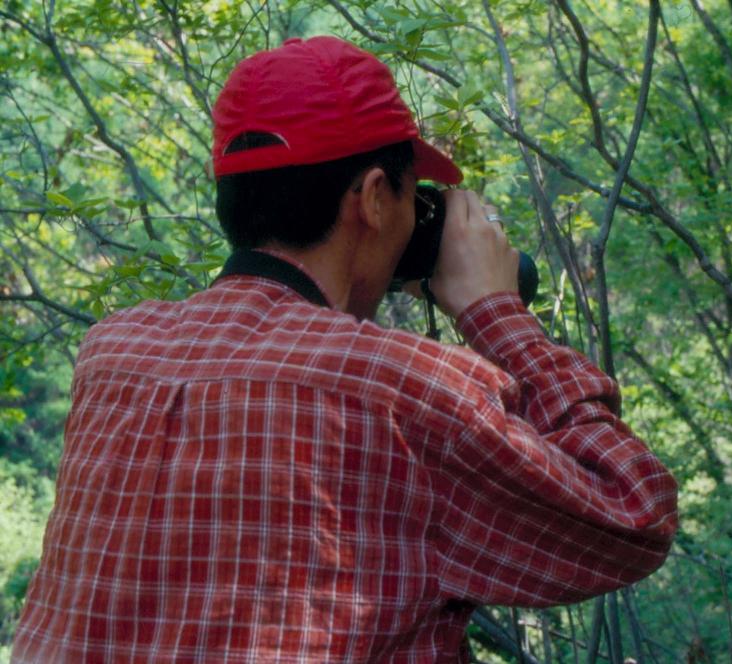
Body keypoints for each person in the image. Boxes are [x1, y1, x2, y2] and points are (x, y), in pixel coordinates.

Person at [12, 36, 677, 662]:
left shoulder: (113, 354)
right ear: (375, 199)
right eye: (415, 196)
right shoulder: (397, 390)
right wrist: (494, 312)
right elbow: (633, 514)